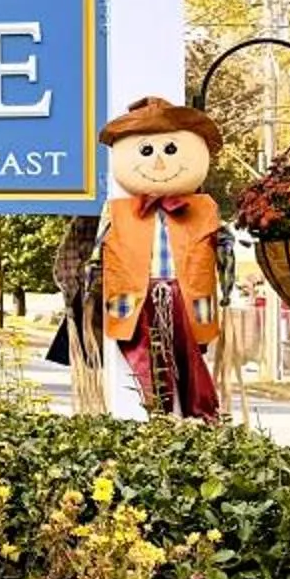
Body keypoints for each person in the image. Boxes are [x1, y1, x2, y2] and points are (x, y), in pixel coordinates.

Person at [90, 95, 233, 421]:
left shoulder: (205, 209)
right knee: (145, 360)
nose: (157, 164)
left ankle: (204, 416)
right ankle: (158, 415)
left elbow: (220, 246)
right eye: (146, 151)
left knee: (191, 359)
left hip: (188, 294)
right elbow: (99, 253)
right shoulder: (116, 211)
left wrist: (225, 258)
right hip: (134, 297)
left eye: (170, 150)